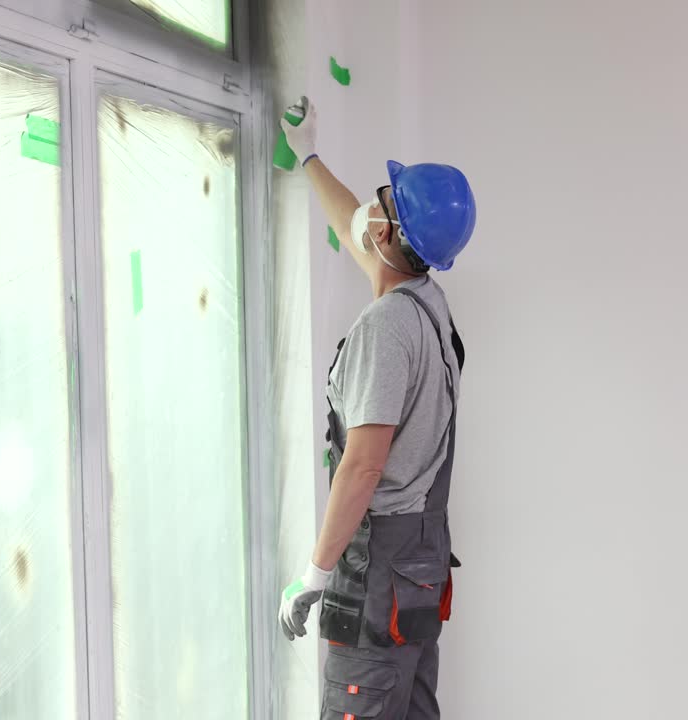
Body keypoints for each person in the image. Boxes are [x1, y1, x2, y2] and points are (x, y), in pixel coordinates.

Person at [275, 97, 476, 719]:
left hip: (375, 578)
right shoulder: (425, 300)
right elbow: (350, 228)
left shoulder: (386, 328)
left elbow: (361, 468)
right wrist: (307, 153)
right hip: (415, 574)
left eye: (381, 200)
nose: (369, 206)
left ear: (387, 231)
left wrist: (314, 575)